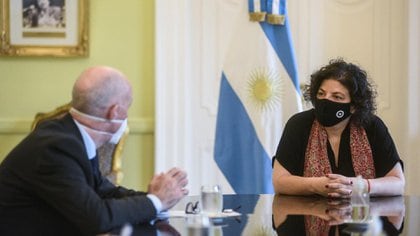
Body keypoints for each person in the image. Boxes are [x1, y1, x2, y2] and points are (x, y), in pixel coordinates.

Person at [0, 66, 188, 235]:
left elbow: (102, 191)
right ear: (114, 112)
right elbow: (96, 219)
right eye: (127, 106)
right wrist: (156, 201)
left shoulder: (71, 135)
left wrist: (154, 197)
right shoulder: (57, 147)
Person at [272, 58, 405, 198]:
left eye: (337, 97)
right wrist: (315, 185)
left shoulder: (372, 126)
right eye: (321, 94)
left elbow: (397, 183)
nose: (326, 100)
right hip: (308, 214)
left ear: (353, 106)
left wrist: (361, 186)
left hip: (363, 215)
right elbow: (279, 181)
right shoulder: (299, 124)